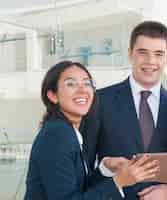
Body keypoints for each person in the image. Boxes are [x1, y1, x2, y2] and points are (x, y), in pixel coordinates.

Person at [24, 61, 159, 200]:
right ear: (53, 95)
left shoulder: (68, 131)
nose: (82, 90)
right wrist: (119, 181)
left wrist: (105, 168)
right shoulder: (57, 135)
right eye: (71, 84)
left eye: (87, 83)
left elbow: (80, 190)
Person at [81, 21, 167, 199]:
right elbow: (84, 166)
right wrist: (106, 170)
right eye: (142, 52)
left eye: (159, 54)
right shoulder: (100, 100)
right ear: (130, 54)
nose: (151, 61)